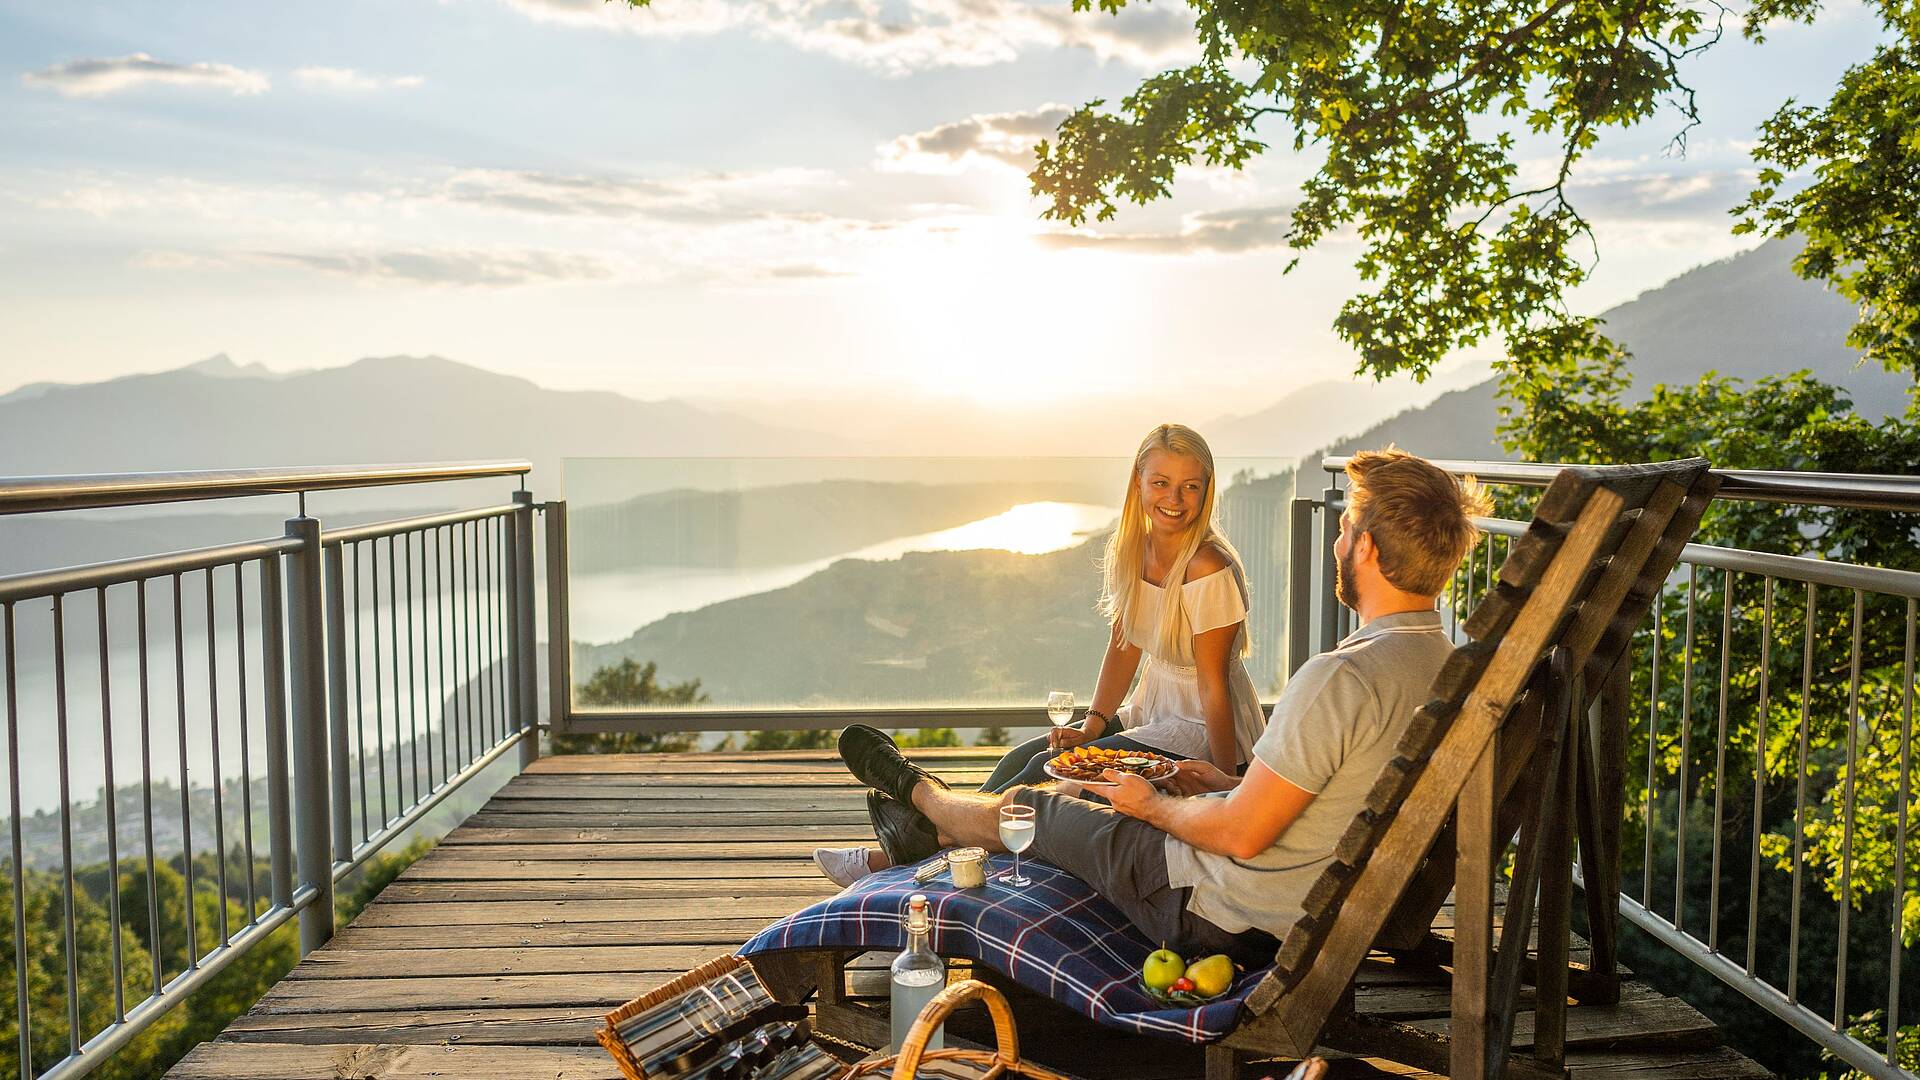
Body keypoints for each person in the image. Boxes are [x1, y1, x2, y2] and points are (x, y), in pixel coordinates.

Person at [828, 448, 1489, 962]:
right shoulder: (1442, 667)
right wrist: (1222, 783)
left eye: (1345, 529)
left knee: (1038, 807)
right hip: (1294, 893)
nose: (1340, 542)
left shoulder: (1341, 678)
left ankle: (918, 795)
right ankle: (925, 826)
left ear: (1367, 549)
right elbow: (1307, 799)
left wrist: (1157, 808)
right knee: (1078, 779)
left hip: (1220, 909)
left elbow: (1240, 835)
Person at [814, 424, 1266, 887]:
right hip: (1152, 711)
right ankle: (929, 846)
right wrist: (1093, 723)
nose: (1175, 497)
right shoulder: (1136, 548)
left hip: (1198, 728)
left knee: (1038, 782)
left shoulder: (1206, 566)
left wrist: (1224, 782)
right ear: (1138, 482)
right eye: (1161, 483)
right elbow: (1124, 647)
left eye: (1191, 486)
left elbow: (1213, 685)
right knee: (1020, 760)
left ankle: (893, 860)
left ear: (1207, 490)